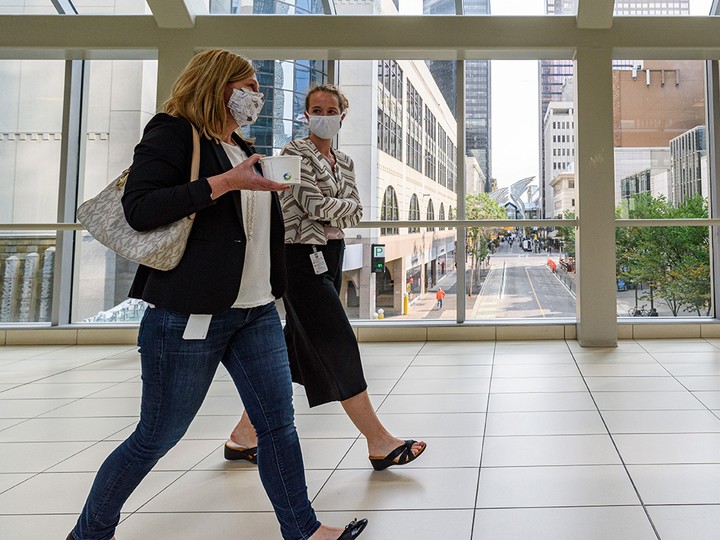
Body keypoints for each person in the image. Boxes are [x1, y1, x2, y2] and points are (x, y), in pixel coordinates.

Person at [67, 51, 366, 540]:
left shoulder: (242, 145)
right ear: (219, 85)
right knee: (157, 436)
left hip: (256, 311)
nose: (257, 96)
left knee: (277, 426)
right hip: (190, 313)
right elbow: (141, 209)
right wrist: (227, 183)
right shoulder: (173, 132)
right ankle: (89, 532)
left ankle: (304, 530)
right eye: (248, 85)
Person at [224, 84, 426, 472]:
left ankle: (243, 436)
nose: (323, 115)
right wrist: (340, 207)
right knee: (338, 341)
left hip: (330, 255)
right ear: (306, 115)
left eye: (330, 109)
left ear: (341, 116)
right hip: (298, 256)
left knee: (293, 352)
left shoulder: (345, 161)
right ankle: (378, 441)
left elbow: (352, 209)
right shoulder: (294, 153)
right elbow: (312, 204)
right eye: (316, 109)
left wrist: (337, 208)